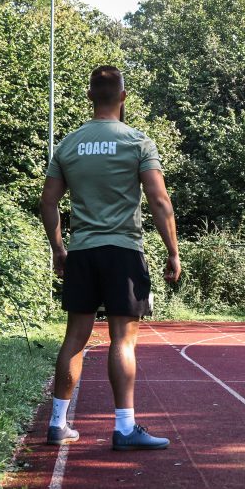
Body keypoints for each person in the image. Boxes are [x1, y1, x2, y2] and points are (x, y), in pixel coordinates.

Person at [40, 65, 181, 451]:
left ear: (90, 96)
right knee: (123, 339)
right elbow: (158, 200)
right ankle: (123, 428)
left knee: (75, 337)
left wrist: (59, 249)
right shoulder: (138, 142)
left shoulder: (68, 145)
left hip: (83, 251)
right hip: (122, 252)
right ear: (124, 97)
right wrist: (172, 251)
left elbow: (48, 202)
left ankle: (57, 424)